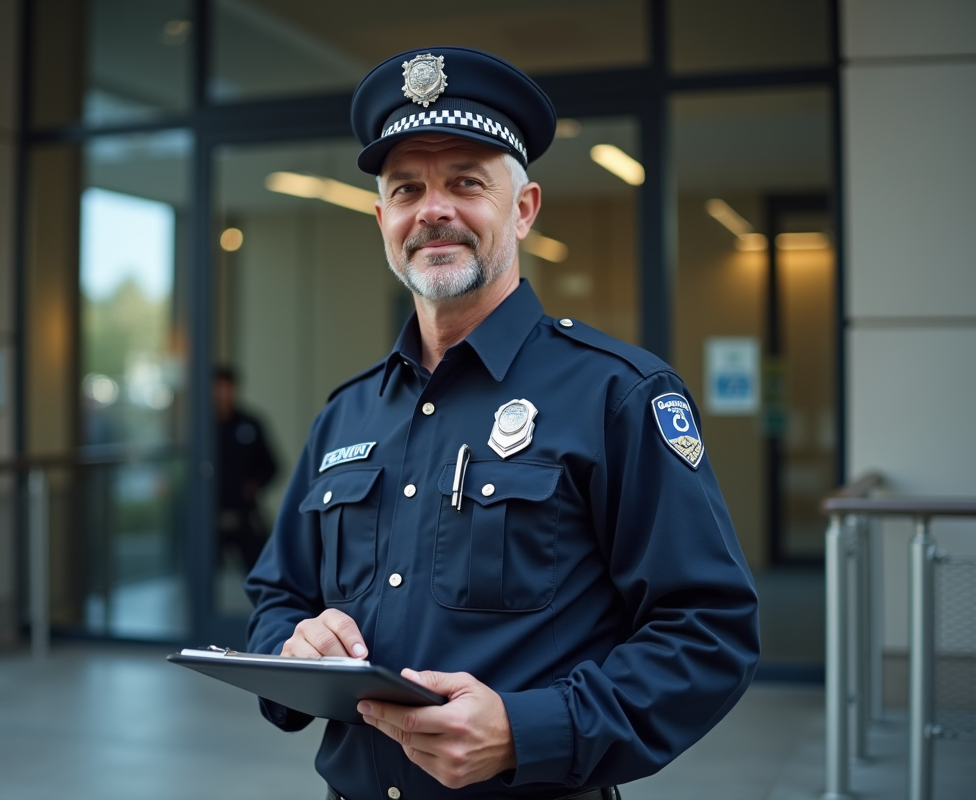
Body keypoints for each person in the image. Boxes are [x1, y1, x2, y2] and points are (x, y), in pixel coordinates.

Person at [245, 47, 761, 800]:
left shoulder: (616, 394)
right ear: (382, 217)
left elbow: (707, 632)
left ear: (523, 209)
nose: (434, 210)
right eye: (407, 189)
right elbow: (277, 596)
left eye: (465, 182)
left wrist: (532, 730)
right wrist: (294, 647)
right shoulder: (346, 413)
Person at [215, 366, 278, 573]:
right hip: (210, 513)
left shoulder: (249, 425)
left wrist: (254, 485)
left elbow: (273, 466)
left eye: (227, 388)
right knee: (203, 574)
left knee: (263, 570)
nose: (223, 394)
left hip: (244, 513)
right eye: (218, 389)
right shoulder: (202, 428)